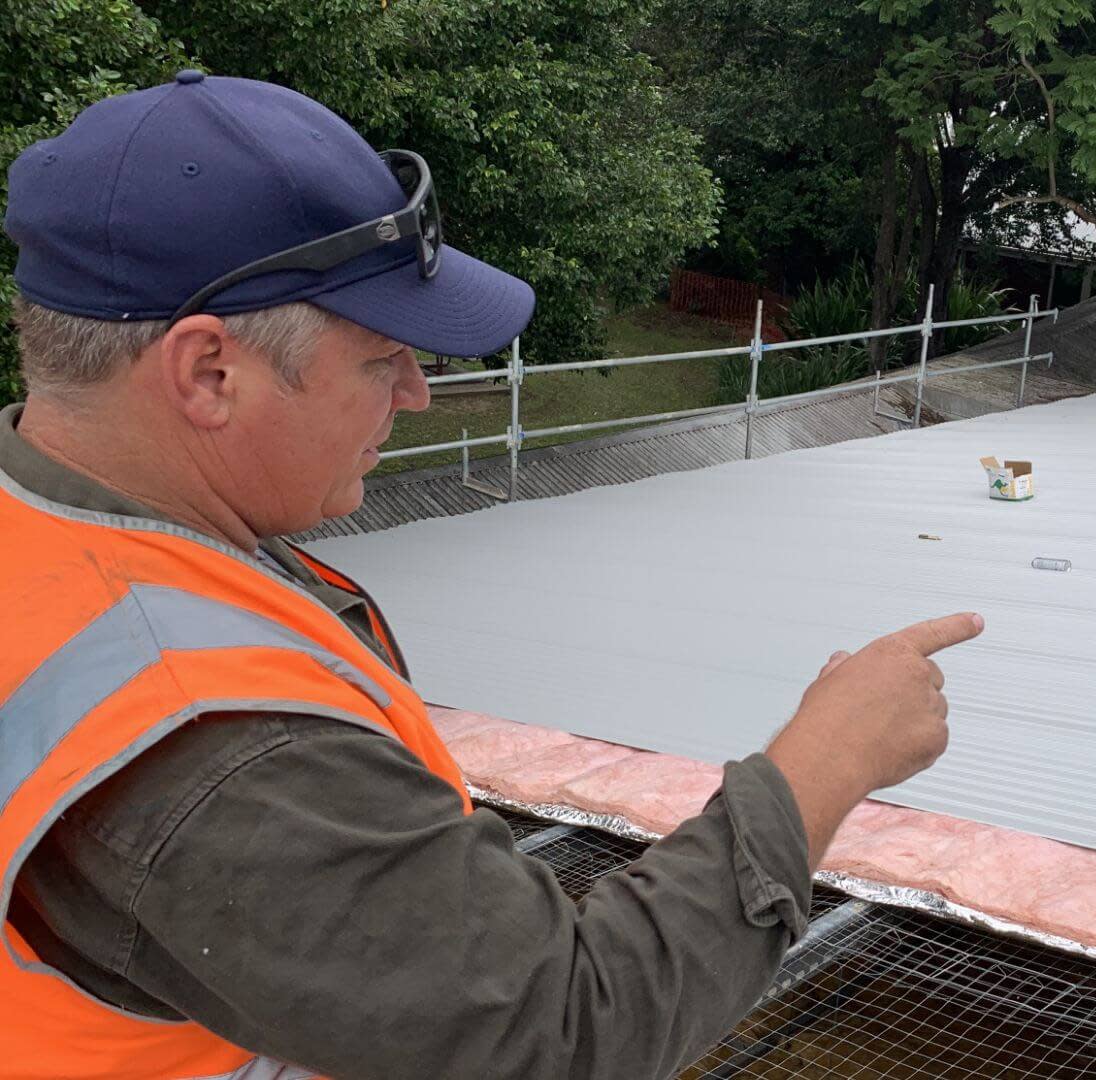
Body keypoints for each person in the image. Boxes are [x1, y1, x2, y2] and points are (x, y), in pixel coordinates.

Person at [0, 72, 981, 1079]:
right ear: (210, 372)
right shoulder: (209, 741)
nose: (420, 394)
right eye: (383, 358)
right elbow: (564, 1033)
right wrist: (826, 761)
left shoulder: (51, 523)